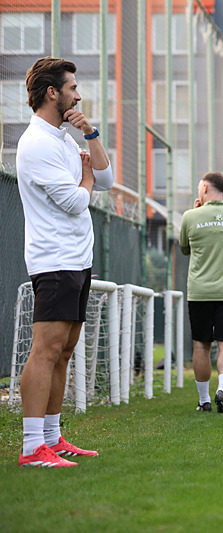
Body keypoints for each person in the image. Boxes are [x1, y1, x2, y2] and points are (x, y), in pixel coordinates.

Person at [16, 57, 114, 467]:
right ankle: (30, 447)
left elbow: (106, 180)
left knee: (65, 350)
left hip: (76, 259)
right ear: (52, 92)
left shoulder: (63, 137)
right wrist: (85, 180)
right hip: (53, 260)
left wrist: (89, 133)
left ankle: (52, 439)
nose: (79, 93)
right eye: (73, 87)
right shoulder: (36, 142)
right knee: (45, 350)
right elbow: (77, 200)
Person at [179, 172, 223, 413]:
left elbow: (184, 249)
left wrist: (194, 213)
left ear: (205, 189)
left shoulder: (190, 217)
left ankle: (204, 400)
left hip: (199, 291)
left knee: (201, 344)